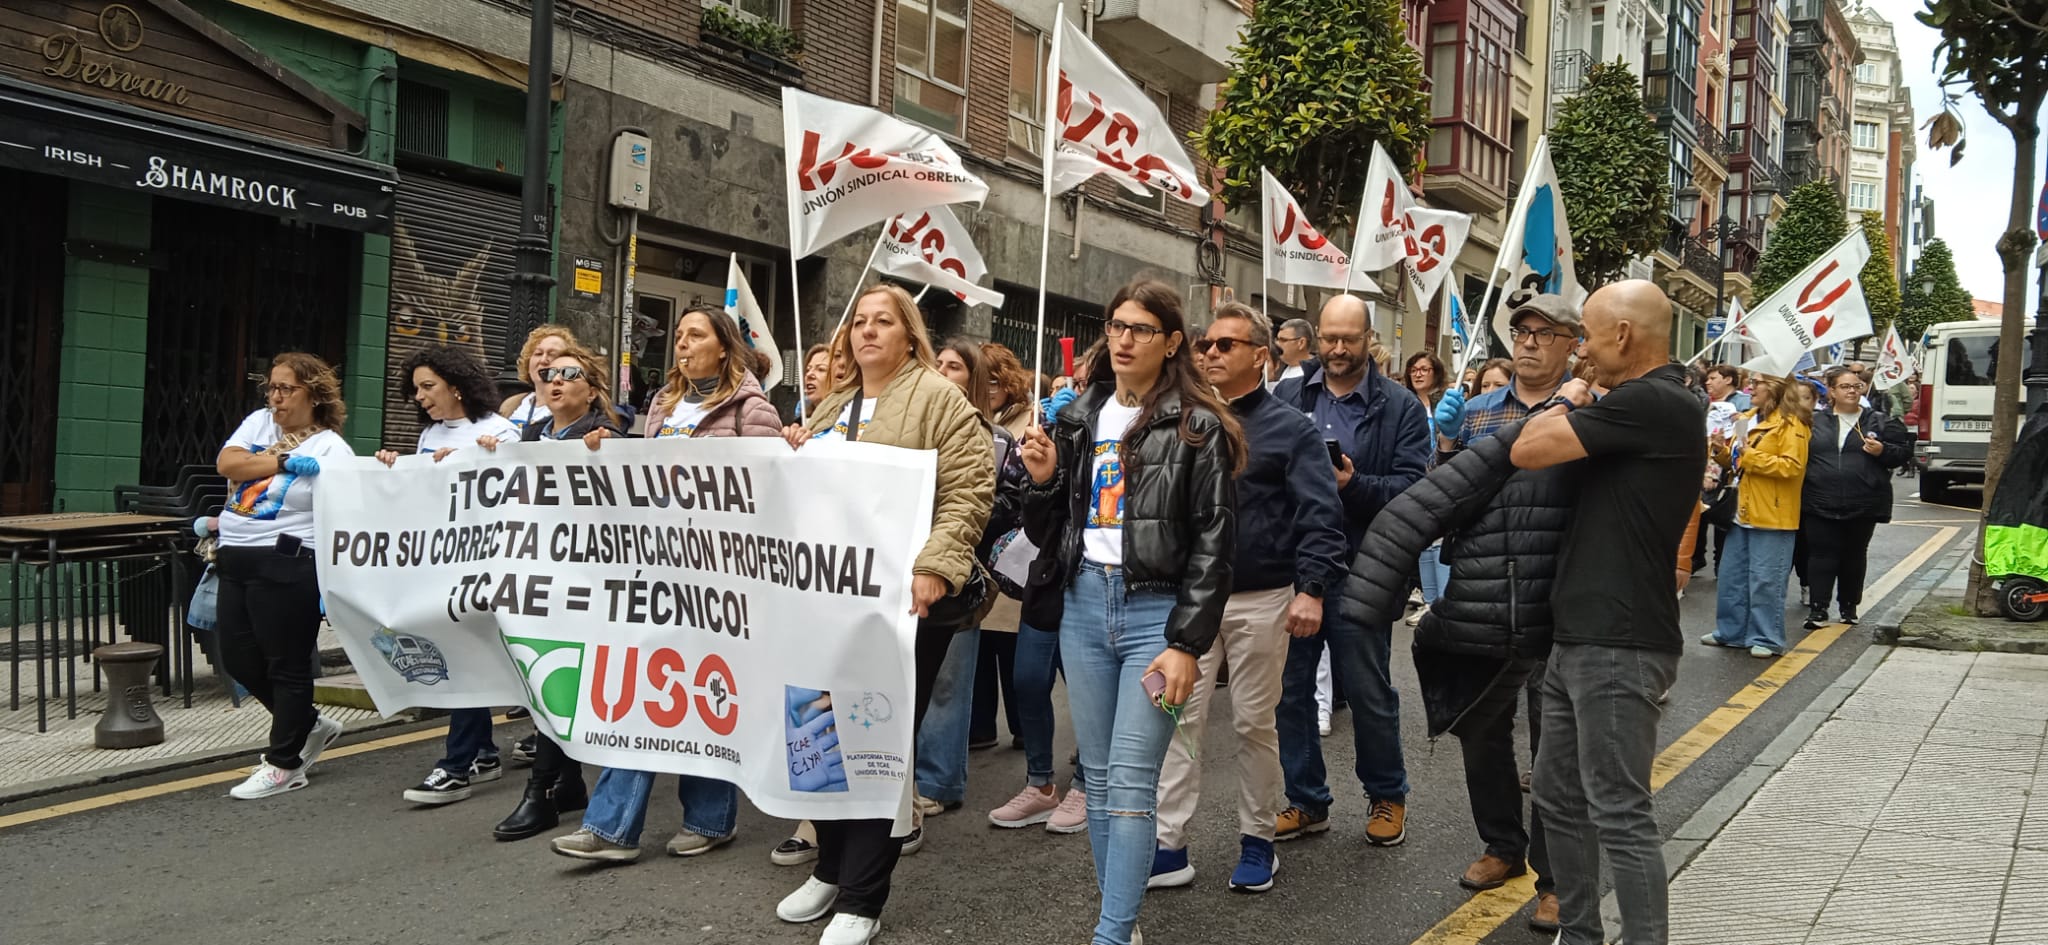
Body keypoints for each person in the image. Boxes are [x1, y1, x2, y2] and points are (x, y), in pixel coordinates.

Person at [1016, 278, 1242, 945]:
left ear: (1172, 341)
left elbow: (1215, 544)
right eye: (1115, 325)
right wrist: (1043, 478)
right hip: (1085, 603)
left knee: (1134, 780)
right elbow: (1044, 525)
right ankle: (1121, 922)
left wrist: (1186, 643)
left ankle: (1113, 932)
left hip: (1156, 614)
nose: (1122, 338)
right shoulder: (1079, 416)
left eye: (1140, 328)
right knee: (1101, 773)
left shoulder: (1199, 426)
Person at [774, 284, 993, 945]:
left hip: (902, 604)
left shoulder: (936, 398)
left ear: (908, 334)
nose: (868, 332)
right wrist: (793, 449)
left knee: (876, 742)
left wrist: (936, 564)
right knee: (819, 731)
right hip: (827, 604)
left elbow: (970, 488)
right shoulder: (834, 404)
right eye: (859, 322)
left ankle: (864, 896)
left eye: (884, 322)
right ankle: (832, 866)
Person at [546, 305, 782, 862]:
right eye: (677, 335)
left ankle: (709, 817)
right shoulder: (664, 403)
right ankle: (610, 828)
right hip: (659, 569)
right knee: (643, 689)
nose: (682, 343)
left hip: (720, 574)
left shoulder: (752, 407)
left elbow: (771, 490)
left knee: (706, 695)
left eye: (695, 334)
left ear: (724, 346)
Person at [1508, 280, 1705, 945]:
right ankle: (1583, 932)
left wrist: (1569, 395)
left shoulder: (1655, 400)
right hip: (1581, 634)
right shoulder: (1644, 402)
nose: (1581, 352)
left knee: (1619, 809)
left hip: (1620, 640)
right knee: (1560, 796)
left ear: (1623, 335)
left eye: (1587, 335)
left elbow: (1528, 448)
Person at [1146, 302, 1344, 894]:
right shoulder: (1183, 419)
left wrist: (1311, 590)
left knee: (1256, 723)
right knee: (1177, 720)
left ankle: (1258, 840)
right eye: (1206, 344)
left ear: (1261, 356)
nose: (1209, 353)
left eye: (1226, 345)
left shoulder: (1291, 429)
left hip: (1264, 597)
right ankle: (1168, 843)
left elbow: (1320, 515)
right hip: (1191, 600)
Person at [1270, 293, 1430, 845]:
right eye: (1330, 338)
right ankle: (1306, 799)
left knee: (1368, 690)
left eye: (1350, 339)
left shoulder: (1402, 407)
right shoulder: (1290, 393)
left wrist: (1351, 485)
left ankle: (1387, 795)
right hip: (1295, 568)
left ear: (1369, 340)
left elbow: (1414, 489)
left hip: (1365, 568)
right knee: (1290, 691)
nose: (1338, 349)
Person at [478, 346, 625, 840]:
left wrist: (609, 451)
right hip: (541, 579)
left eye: (568, 374)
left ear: (592, 387)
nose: (554, 382)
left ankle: (540, 793)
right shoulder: (532, 437)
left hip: (586, 583)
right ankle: (567, 784)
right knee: (547, 678)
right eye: (546, 374)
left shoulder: (605, 437)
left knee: (558, 679)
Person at [376, 345, 521, 806]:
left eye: (428, 387)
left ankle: (457, 764)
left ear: (456, 385)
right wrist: (393, 470)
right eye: (416, 389)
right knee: (464, 655)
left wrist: (491, 457)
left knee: (469, 654)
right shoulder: (430, 435)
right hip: (446, 563)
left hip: (488, 565)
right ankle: (478, 752)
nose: (420, 397)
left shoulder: (499, 430)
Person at [215, 353, 359, 800]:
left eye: (285, 389)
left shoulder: (331, 448)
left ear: (313, 394)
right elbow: (229, 464)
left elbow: (344, 513)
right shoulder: (259, 423)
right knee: (238, 660)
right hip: (235, 557)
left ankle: (284, 763)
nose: (274, 398)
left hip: (287, 561)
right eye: (271, 388)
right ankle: (309, 724)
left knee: (287, 665)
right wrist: (279, 463)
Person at [914, 338, 1023, 814]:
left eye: (953, 366)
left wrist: (953, 526)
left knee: (947, 683)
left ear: (973, 379)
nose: (941, 371)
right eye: (936, 362)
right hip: (909, 566)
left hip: (960, 570)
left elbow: (1002, 504)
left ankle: (937, 783)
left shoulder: (996, 439)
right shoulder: (917, 427)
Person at [1705, 374, 1813, 657]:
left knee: (1767, 580)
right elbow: (1738, 461)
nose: (1750, 388)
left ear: (1775, 388)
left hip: (1773, 512)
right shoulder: (1747, 418)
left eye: (1757, 382)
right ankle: (1731, 632)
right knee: (1732, 577)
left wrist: (1749, 457)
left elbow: (1792, 466)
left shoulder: (1792, 424)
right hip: (1742, 509)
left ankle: (1766, 638)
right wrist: (1721, 452)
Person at [1801, 365, 1910, 627]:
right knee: (1820, 555)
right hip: (1819, 499)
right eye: (1845, 386)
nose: (1851, 391)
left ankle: (1849, 606)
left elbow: (1902, 454)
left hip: (1864, 500)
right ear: (1831, 391)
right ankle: (1818, 608)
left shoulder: (1879, 421)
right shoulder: (1814, 421)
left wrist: (1882, 450)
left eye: (1856, 386)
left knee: (1854, 554)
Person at [501, 325, 578, 433]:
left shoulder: (572, 406)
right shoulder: (511, 404)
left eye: (552, 354)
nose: (543, 360)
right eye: (538, 353)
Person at [1274, 318, 1320, 384]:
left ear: (1301, 343)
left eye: (1283, 340)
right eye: (1277, 339)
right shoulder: (1283, 368)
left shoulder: (1315, 375)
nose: (1277, 344)